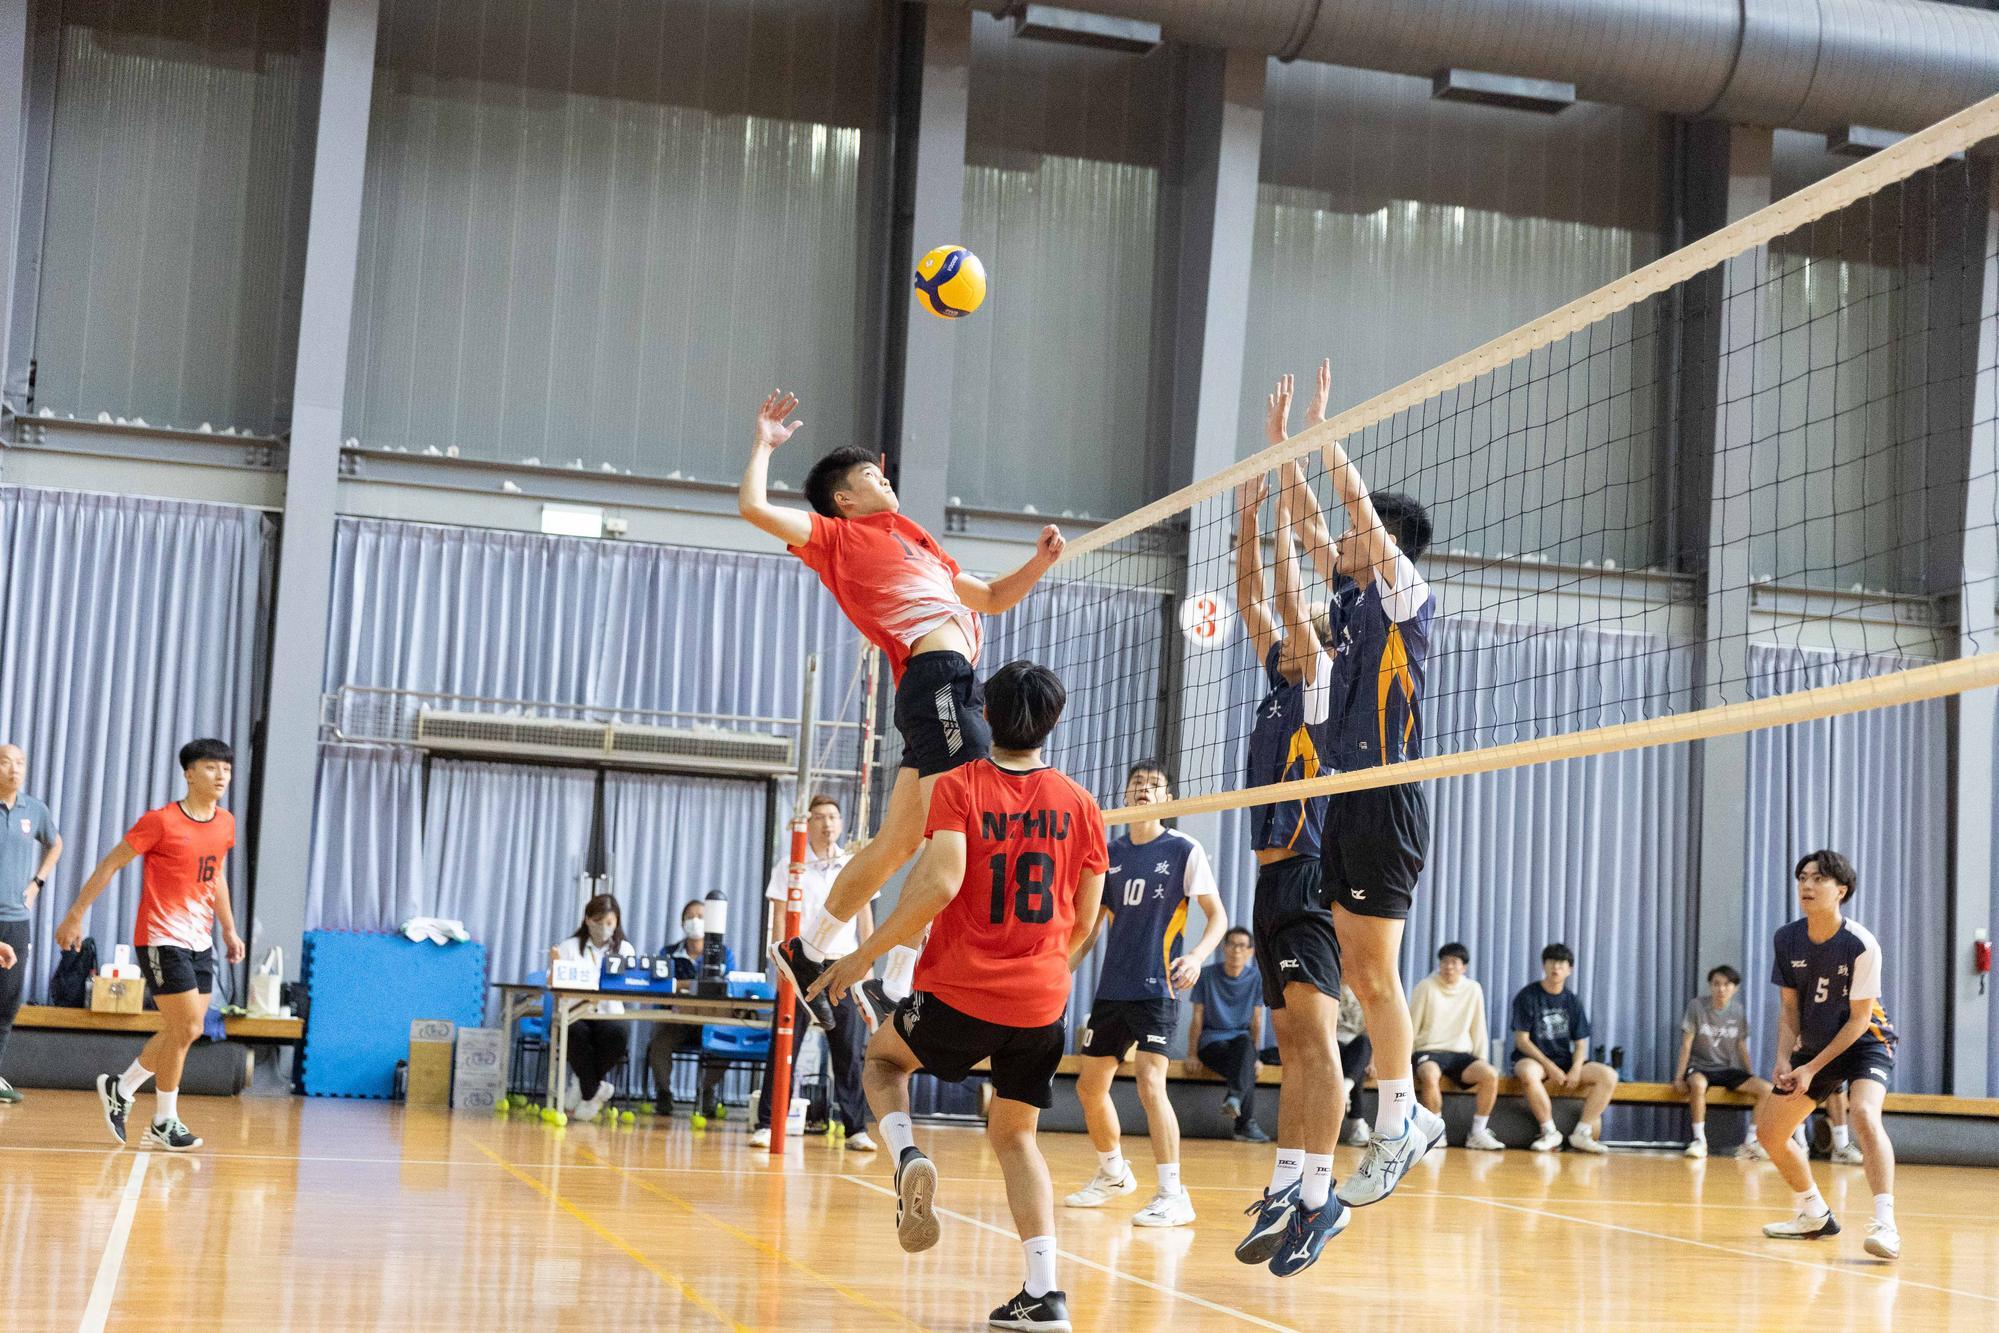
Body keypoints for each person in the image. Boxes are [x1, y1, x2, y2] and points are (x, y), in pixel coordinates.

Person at [739, 390, 1065, 1032]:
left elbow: (995, 597)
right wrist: (764, 446)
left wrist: (1040, 562)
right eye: (868, 476)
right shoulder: (838, 536)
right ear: (845, 499)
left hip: (955, 685)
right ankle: (893, 979)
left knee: (897, 844)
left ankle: (805, 951)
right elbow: (752, 506)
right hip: (937, 681)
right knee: (964, 836)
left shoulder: (921, 542)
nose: (881, 478)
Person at [808, 660, 1107, 1331]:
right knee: (1015, 1136)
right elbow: (1086, 920)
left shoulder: (964, 784)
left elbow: (938, 883)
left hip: (963, 992)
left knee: (882, 1063)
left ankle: (908, 1155)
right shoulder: (1083, 804)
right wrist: (1044, 969)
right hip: (1042, 1004)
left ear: (984, 718)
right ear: (1053, 721)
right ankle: (1045, 1291)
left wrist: (860, 954)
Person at [57, 739, 246, 1152]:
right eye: (212, 768)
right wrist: (75, 914)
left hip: (201, 939)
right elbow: (110, 864)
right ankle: (165, 1119)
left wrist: (229, 930)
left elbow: (216, 878)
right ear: (189, 773)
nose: (221, 777)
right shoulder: (160, 821)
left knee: (182, 1031)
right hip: (161, 938)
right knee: (190, 1027)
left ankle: (120, 1088)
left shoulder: (225, 823)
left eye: (227, 770)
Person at [1065, 760, 1225, 1227]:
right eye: (1137, 784)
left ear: (1167, 798)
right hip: (1113, 987)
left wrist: (1195, 956)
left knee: (1150, 1083)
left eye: (1154, 785)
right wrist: (1061, 971)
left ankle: (1174, 1194)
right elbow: (1090, 928)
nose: (1144, 790)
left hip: (1159, 986)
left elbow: (1217, 917)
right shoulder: (1109, 851)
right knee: (1089, 1087)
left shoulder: (1183, 849)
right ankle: (1113, 1172)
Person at [1755, 850, 1900, 1261]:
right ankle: (1813, 1211)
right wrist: (1785, 1059)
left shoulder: (1860, 944)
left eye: (1818, 878)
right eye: (1802, 877)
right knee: (1769, 1133)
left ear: (1842, 890)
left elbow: (1858, 1021)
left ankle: (1885, 1225)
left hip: (1865, 1040)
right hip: (1817, 1045)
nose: (1807, 885)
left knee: (1863, 1114)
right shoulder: (1787, 938)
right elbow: (1789, 1009)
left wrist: (1810, 1068)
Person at [751, 793, 877, 1151]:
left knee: (849, 1053)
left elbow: (865, 916)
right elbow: (779, 917)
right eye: (819, 817)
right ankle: (766, 1123)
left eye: (833, 817)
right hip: (800, 965)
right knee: (783, 1046)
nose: (827, 823)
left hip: (843, 964)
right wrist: (779, 961)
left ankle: (856, 1130)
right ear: (807, 824)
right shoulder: (790, 865)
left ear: (841, 823)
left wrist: (868, 963)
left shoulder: (854, 864)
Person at [1509, 943, 1619, 1153]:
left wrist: (1576, 1067)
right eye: (1551, 962)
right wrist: (1549, 1066)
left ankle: (1582, 1132)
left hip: (1564, 1059)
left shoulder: (1572, 1001)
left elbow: (1580, 1043)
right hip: (1534, 1058)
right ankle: (1549, 1131)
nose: (1556, 968)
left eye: (1561, 963)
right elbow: (1522, 1040)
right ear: (1544, 965)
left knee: (1608, 1075)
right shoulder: (1527, 996)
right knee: (1527, 1072)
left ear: (1570, 969)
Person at [0, 742, 63, 1106]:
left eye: (20, 762)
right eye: (7, 762)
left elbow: (56, 844)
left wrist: (38, 882)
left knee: (7, 1002)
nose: (14, 769)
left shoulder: (34, 810)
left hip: (16, 921)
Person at [548, 893, 639, 1123]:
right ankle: (595, 1091)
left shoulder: (625, 950)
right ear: (587, 920)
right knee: (574, 1032)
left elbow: (631, 986)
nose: (603, 928)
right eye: (598, 921)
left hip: (609, 1014)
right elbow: (553, 982)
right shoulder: (568, 947)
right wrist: (555, 965)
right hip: (576, 1013)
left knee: (619, 1034)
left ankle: (583, 1083)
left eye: (609, 923)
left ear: (617, 923)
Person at [1672, 964, 1773, 1160]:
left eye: (1727, 984)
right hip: (1700, 1066)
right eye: (1716, 984)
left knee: (1767, 1090)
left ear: (1734, 988)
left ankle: (1750, 1143)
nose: (1721, 989)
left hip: (1726, 1069)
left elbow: (1741, 1045)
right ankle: (1700, 1140)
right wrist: (1678, 1077)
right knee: (1698, 1085)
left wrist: (1750, 1073)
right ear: (1710, 986)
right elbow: (1686, 1044)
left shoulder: (1738, 1010)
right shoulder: (1696, 1006)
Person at [1410, 942, 1503, 1151]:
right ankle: (1436, 1133)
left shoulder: (1473, 989)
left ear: (1464, 967)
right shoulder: (1426, 986)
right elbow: (1411, 1025)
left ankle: (1478, 1132)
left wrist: (1481, 1058)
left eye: (1454, 962)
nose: (1448, 966)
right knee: (1429, 1074)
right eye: (1444, 962)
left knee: (1490, 1074)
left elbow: (1478, 1027)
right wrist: (1405, 1060)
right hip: (1429, 1050)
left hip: (1461, 1054)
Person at [647, 900, 732, 1119]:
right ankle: (664, 1094)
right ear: (682, 922)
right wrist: (695, 986)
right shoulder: (668, 953)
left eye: (701, 917)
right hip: (677, 1020)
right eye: (690, 917)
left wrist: (683, 984)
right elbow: (661, 985)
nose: (695, 922)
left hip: (711, 1021)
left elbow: (729, 986)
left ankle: (706, 1092)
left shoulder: (724, 955)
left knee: (727, 1039)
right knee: (658, 1042)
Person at [1186, 927, 1269, 1142]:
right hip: (1211, 1044)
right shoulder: (1206, 975)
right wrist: (1192, 1054)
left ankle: (1235, 1099)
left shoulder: (1256, 979)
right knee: (1245, 1066)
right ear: (1224, 948)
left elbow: (1257, 1020)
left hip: (1241, 1044)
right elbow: (1197, 1017)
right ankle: (1244, 1125)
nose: (1236, 950)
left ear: (1250, 951)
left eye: (1242, 946)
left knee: (1244, 1046)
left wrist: (1257, 1056)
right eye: (1232, 944)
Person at [1336, 984, 1373, 1148]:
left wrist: (1373, 1062)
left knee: (1363, 1044)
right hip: (1331, 1044)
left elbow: (1370, 1031)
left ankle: (1344, 1090)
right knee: (1355, 1070)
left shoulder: (1363, 992)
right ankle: (1357, 1124)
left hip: (1355, 1047)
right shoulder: (1327, 985)